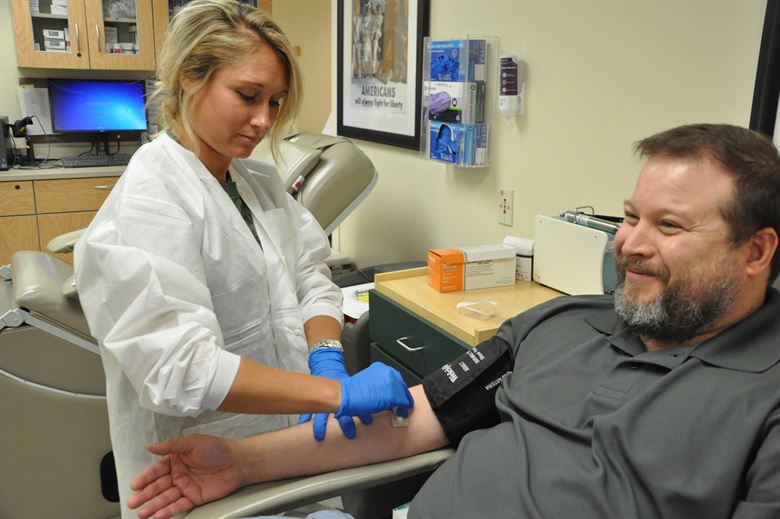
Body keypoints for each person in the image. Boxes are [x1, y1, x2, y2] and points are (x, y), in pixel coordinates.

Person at [127, 123, 780, 519]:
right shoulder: (560, 322)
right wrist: (238, 462)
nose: (631, 243)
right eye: (631, 216)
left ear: (756, 251)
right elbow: (422, 416)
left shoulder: (764, 402)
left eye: (668, 225)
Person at [73, 1, 412, 516]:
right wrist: (329, 395)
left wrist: (326, 356)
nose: (262, 121)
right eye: (247, 96)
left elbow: (309, 275)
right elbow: (180, 369)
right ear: (190, 77)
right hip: (197, 470)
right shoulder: (153, 196)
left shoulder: (257, 182)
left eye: (275, 102)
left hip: (290, 452)